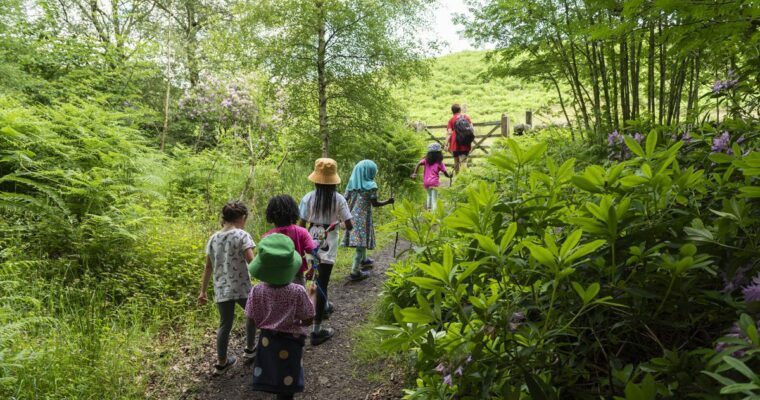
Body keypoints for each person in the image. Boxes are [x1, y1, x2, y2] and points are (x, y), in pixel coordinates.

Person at [246, 233, 316, 400]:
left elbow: (251, 320)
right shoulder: (297, 291)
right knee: (287, 382)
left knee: (273, 375)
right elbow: (308, 319)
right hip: (291, 343)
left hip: (267, 342)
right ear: (290, 267)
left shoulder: (256, 291)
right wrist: (312, 295)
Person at [198, 200, 257, 375]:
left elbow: (208, 267)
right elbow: (252, 261)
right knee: (252, 315)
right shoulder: (242, 235)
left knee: (225, 324)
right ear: (243, 217)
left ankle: (222, 362)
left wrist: (203, 291)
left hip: (221, 289)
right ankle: (250, 349)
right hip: (242, 287)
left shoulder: (213, 238)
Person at [298, 158, 353, 345]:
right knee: (322, 282)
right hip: (329, 245)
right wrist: (338, 224)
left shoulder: (308, 198)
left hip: (309, 243)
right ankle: (316, 330)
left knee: (315, 277)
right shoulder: (339, 200)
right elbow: (350, 225)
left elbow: (301, 224)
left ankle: (324, 307)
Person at [342, 160, 394, 281]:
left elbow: (344, 200)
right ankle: (355, 271)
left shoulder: (351, 183)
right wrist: (388, 201)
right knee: (360, 245)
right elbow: (375, 204)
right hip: (363, 219)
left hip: (351, 217)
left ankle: (364, 260)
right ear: (370, 171)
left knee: (361, 241)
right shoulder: (371, 186)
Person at [262, 195, 317, 286]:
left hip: (274, 279)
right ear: (293, 212)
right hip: (297, 278)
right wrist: (313, 268)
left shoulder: (267, 237)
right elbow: (314, 252)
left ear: (271, 215)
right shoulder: (302, 232)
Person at [411, 143, 450, 211]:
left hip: (426, 182)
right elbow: (446, 174)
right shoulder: (440, 163)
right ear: (439, 154)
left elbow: (418, 163)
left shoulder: (426, 160)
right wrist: (450, 176)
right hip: (434, 183)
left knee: (429, 196)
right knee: (434, 200)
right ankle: (434, 215)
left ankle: (428, 210)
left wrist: (415, 173)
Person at [445, 103, 474, 173]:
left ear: (452, 111)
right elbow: (472, 129)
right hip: (465, 142)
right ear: (460, 110)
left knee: (456, 161)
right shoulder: (466, 117)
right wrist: (471, 141)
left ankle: (457, 177)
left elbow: (449, 133)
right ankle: (464, 178)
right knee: (464, 161)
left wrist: (446, 143)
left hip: (455, 143)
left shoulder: (451, 120)